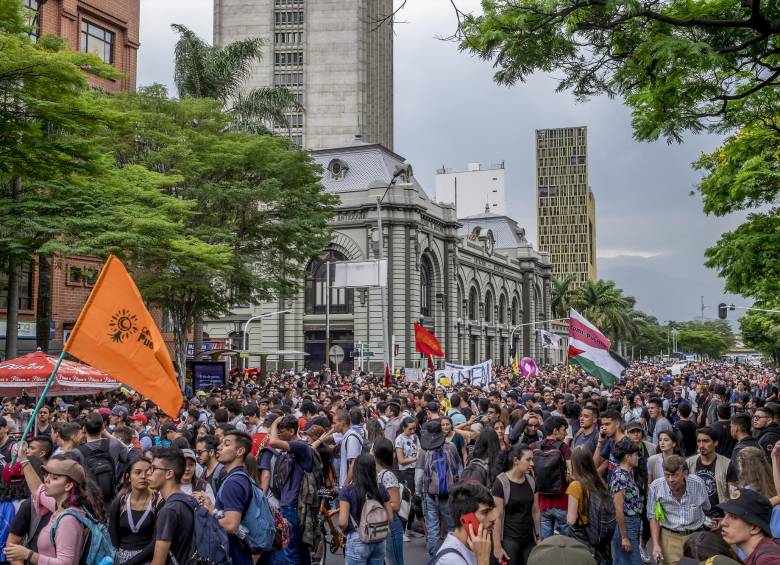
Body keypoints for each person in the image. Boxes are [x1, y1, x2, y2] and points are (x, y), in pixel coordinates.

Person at [6, 453, 103, 565]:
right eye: (47, 475)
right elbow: (37, 490)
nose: (46, 480)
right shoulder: (60, 507)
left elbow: (65, 563)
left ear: (68, 486)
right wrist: (23, 458)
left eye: (54, 478)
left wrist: (28, 554)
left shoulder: (68, 520)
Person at [266, 414, 314, 565]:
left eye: (282, 431)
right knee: (298, 550)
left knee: (288, 553)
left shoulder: (301, 446)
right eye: (278, 431)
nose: (279, 434)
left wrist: (274, 423)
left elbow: (272, 441)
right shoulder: (297, 448)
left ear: (292, 431)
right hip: (291, 504)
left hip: (293, 506)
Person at [647, 455, 710, 565]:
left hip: (694, 536)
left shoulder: (698, 483)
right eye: (667, 475)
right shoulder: (656, 487)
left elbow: (706, 508)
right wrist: (656, 545)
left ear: (685, 473)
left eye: (675, 475)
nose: (671, 480)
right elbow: (653, 517)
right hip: (669, 537)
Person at [337, 454, 393, 565]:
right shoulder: (380, 488)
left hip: (357, 538)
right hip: (379, 539)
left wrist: (344, 531)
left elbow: (343, 522)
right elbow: (390, 518)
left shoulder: (347, 491)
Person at [491, 443, 541, 565]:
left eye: (532, 459)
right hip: (509, 540)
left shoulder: (531, 481)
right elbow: (497, 516)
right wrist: (497, 547)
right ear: (516, 461)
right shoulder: (501, 483)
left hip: (529, 539)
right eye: (528, 460)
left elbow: (535, 511)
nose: (532, 464)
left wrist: (539, 537)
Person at [416, 419, 460, 556]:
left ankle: (434, 558)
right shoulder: (451, 446)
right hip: (449, 494)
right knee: (451, 528)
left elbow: (419, 474)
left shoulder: (424, 451)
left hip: (430, 494)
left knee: (433, 529)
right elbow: (457, 466)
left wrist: (418, 492)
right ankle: (452, 556)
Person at [427, 481, 494, 565]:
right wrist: (483, 561)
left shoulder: (473, 546)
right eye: (485, 512)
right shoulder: (452, 560)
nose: (493, 518)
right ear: (466, 519)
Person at [146, 447, 194, 565]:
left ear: (169, 474)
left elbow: (158, 562)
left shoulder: (169, 510)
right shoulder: (191, 500)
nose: (148, 472)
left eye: (154, 468)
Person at [566, 445, 612, 565]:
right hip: (599, 535)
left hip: (582, 536)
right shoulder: (599, 481)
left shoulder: (575, 486)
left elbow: (571, 520)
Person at [108, 457, 157, 564]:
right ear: (128, 476)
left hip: (147, 559)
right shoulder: (120, 503)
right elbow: (113, 534)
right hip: (121, 558)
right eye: (138, 472)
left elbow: (157, 541)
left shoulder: (156, 503)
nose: (143, 476)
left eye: (148, 472)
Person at [530, 415, 572, 539]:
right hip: (562, 501)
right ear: (555, 431)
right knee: (566, 542)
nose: (565, 433)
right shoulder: (564, 448)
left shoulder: (534, 446)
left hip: (542, 503)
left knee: (546, 542)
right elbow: (572, 472)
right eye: (563, 430)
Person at [718, 487, 780, 564]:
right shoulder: (760, 552)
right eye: (725, 515)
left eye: (734, 517)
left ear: (755, 527)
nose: (723, 522)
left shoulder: (767, 558)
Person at [611, 438, 643, 565]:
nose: (638, 458)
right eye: (635, 455)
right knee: (632, 561)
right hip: (626, 523)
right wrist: (624, 537)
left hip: (632, 522)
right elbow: (618, 509)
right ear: (627, 457)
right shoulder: (620, 476)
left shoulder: (628, 473)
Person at [372, 438, 404, 565]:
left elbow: (395, 505)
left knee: (395, 561)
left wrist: (373, 505)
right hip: (381, 524)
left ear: (374, 452)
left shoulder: (387, 475)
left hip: (391, 525)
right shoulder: (375, 472)